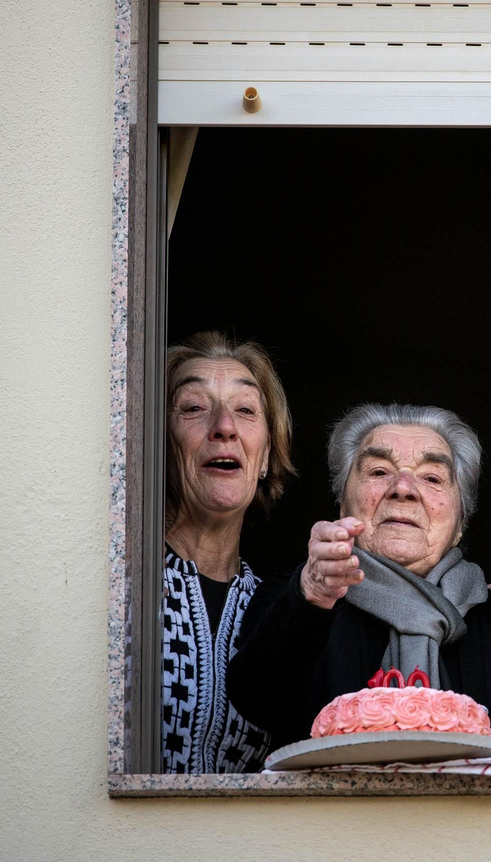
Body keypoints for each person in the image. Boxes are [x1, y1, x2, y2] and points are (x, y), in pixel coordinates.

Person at [228, 403, 491, 771]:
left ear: (461, 521)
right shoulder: (300, 597)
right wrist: (311, 593)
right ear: (343, 505)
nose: (403, 489)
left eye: (431, 478)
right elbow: (257, 703)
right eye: (378, 471)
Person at [161, 330, 297, 774]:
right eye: (195, 408)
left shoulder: (284, 608)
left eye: (245, 410)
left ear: (264, 458)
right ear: (158, 444)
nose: (224, 426)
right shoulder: (117, 583)